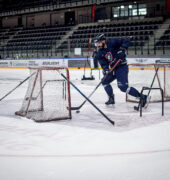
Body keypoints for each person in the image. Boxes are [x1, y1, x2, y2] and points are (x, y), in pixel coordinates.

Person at [94, 34, 147, 106]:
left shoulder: (112, 42)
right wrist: (105, 69)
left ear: (104, 41)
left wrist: (123, 48)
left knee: (123, 87)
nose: (98, 45)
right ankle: (111, 98)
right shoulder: (100, 53)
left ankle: (142, 96)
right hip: (113, 68)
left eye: (99, 43)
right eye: (97, 43)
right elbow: (103, 63)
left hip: (121, 66)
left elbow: (126, 41)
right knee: (104, 81)